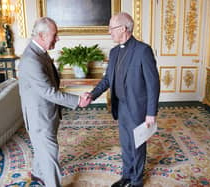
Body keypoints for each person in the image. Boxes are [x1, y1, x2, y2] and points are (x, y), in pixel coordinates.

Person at [84, 12, 160, 187]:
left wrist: (151, 112)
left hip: (138, 108)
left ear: (124, 29)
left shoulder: (143, 50)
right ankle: (127, 175)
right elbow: (107, 79)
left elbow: (153, 84)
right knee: (126, 144)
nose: (109, 32)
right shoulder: (114, 51)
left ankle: (136, 181)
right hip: (121, 106)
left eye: (111, 28)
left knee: (137, 145)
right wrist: (92, 94)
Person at [18, 17, 90, 187]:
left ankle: (37, 174)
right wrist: (78, 100)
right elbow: (48, 92)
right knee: (50, 156)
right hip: (39, 117)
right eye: (55, 35)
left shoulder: (40, 53)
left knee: (42, 149)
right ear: (42, 35)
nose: (58, 38)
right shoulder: (31, 60)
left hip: (46, 113)